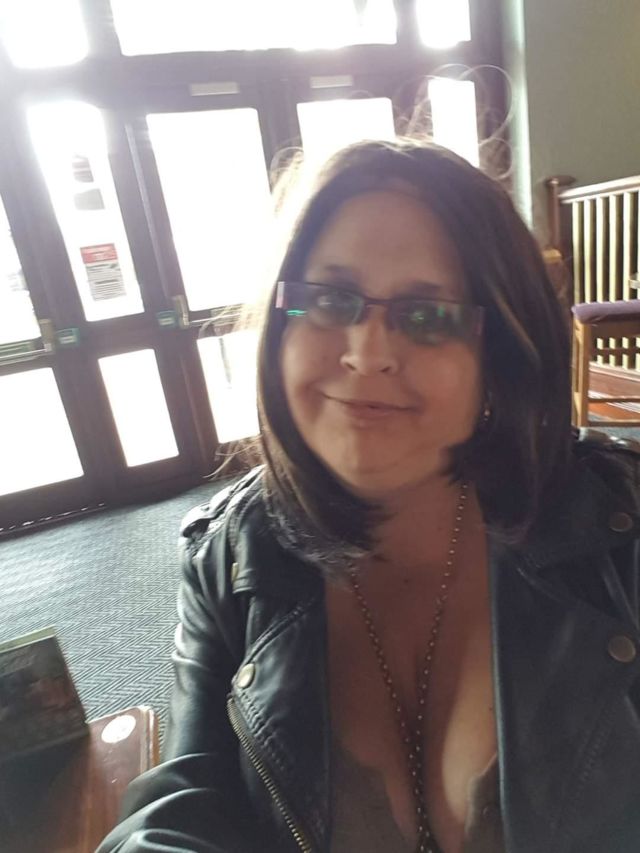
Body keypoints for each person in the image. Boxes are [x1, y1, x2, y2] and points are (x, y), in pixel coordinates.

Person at [96, 139, 640, 853]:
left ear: (499, 358)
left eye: (427, 314)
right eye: (328, 300)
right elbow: (184, 803)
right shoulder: (228, 555)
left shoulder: (619, 527)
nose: (366, 352)